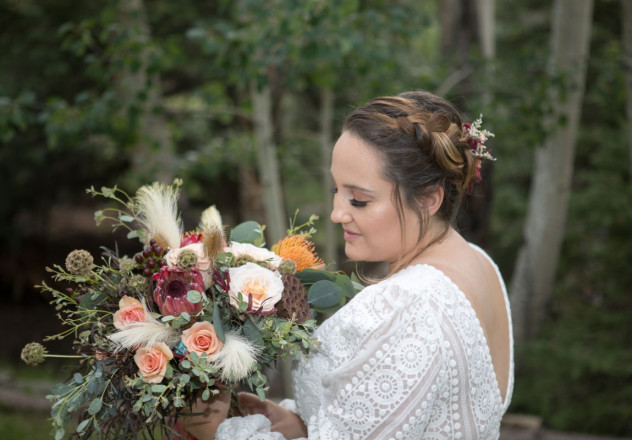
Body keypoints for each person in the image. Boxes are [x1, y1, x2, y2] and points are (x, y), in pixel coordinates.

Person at [183, 90, 514, 440]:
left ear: (429, 199)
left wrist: (216, 432)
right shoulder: (478, 262)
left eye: (359, 200)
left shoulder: (407, 305)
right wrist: (303, 423)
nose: (337, 213)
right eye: (335, 191)